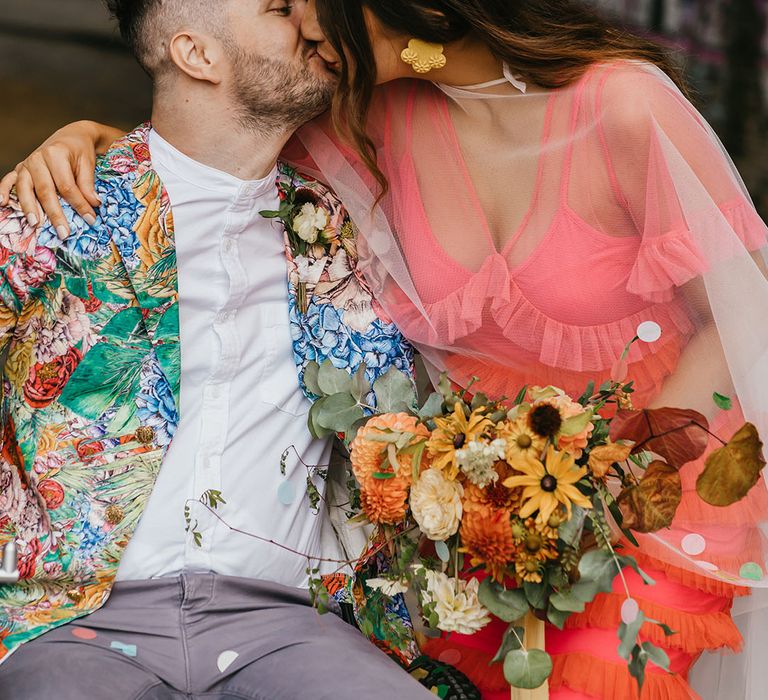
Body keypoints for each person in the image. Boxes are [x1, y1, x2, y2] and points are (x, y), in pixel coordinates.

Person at [6, 1, 768, 699]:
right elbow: (206, 141)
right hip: (486, 505)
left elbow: (740, 319)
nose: (302, 25)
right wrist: (94, 143)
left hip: (658, 469)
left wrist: (603, 489)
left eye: (304, 5)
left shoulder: (620, 104)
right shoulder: (359, 126)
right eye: (282, 8)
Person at [0, 1, 440, 699]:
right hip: (73, 621)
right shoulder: (55, 205)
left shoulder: (340, 230)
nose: (313, 25)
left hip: (292, 622)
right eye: (278, 8)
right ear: (195, 54)